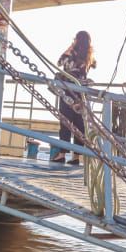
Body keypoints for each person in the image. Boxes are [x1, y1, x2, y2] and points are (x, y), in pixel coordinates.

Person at [52, 30, 96, 164]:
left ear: (77, 40)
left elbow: (60, 62)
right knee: (79, 124)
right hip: (81, 92)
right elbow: (94, 65)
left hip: (68, 91)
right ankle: (76, 156)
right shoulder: (89, 55)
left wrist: (70, 47)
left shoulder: (72, 53)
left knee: (66, 122)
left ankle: (62, 154)